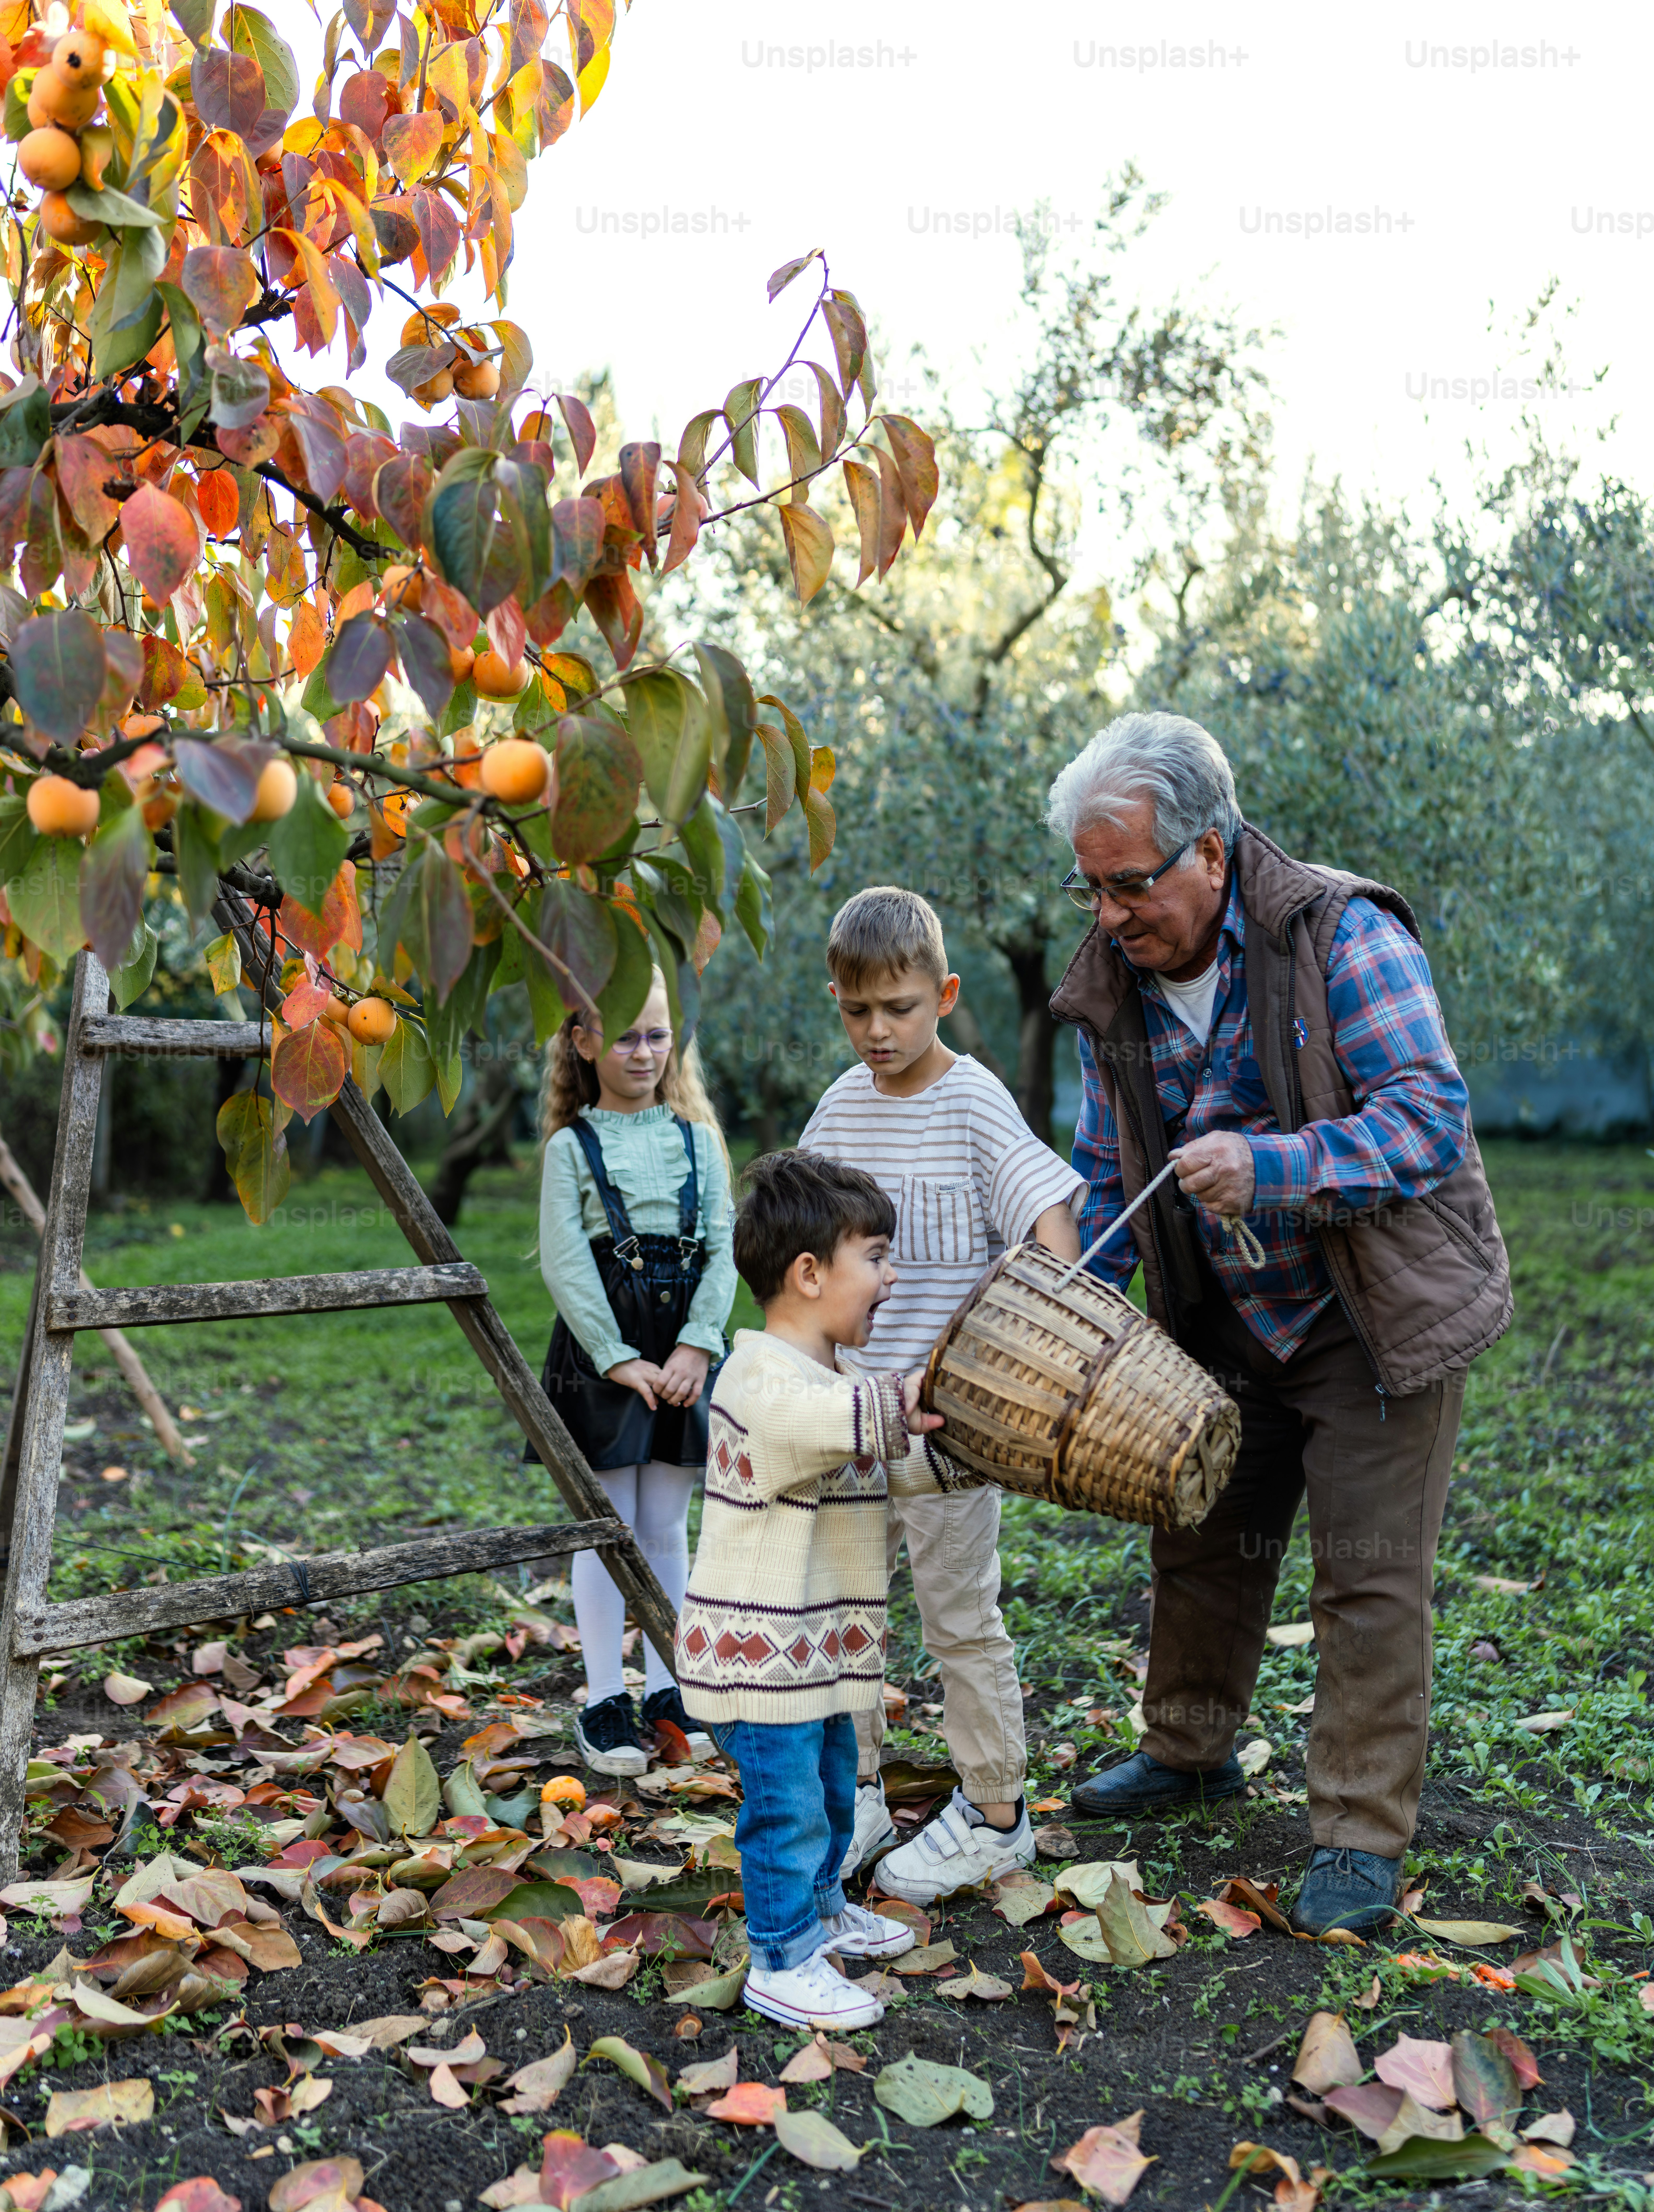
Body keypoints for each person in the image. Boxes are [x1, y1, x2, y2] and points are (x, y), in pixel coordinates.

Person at [1045, 711, 1511, 1935]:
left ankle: (1359, 1835)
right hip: (1226, 1318)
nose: (1108, 914)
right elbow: (1105, 1168)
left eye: (1129, 883)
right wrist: (1072, 1302)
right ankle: (1189, 1751)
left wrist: (1280, 1165)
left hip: (1369, 1315)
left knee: (1366, 1575)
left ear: (1211, 850)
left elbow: (1429, 1121)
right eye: (1090, 886)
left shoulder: (1339, 934)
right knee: (1201, 1533)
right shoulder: (1118, 985)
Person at [799, 887, 1085, 1903]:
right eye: (859, 1010)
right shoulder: (838, 1108)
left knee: (961, 1618)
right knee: (844, 1615)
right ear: (837, 1000)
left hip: (950, 1430)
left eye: (903, 1008)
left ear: (946, 994)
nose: (880, 1031)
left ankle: (996, 1813)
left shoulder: (972, 1101)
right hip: (852, 1426)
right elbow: (801, 1250)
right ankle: (860, 1792)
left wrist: (1046, 1320)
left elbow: (1047, 1207)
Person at [676, 1149, 984, 2028]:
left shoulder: (841, 1384)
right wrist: (908, 1396)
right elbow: (811, 1430)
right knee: (788, 1811)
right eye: (878, 1258)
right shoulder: (761, 1378)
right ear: (809, 1273)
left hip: (809, 1656)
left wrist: (967, 1449)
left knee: (834, 1789)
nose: (892, 1279)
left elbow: (890, 1463)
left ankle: (819, 1913)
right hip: (755, 1660)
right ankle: (782, 1956)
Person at [535, 971, 734, 1778]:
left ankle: (667, 1688)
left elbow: (722, 1246)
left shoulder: (701, 1138)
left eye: (657, 1034)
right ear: (583, 1041)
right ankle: (601, 1699)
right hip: (604, 1352)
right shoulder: (568, 1147)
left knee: (664, 1525)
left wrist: (696, 1344)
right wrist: (616, 1357)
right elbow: (563, 1263)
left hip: (682, 1347)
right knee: (606, 1522)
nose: (645, 1051)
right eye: (624, 1036)